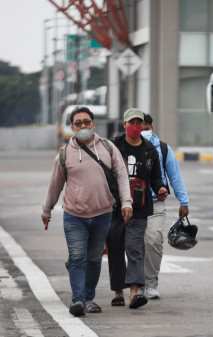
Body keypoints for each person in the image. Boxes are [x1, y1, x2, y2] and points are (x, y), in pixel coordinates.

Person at [41, 106, 133, 317]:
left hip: (103, 214)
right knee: (76, 257)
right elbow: (55, 185)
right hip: (74, 216)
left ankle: (89, 298)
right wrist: (47, 210)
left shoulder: (108, 148)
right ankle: (78, 301)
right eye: (78, 123)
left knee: (93, 258)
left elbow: (121, 176)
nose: (83, 126)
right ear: (72, 128)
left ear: (93, 123)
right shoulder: (64, 155)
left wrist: (126, 203)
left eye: (86, 122)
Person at [107, 108, 168, 309]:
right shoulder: (113, 146)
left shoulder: (150, 150)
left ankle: (134, 293)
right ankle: (118, 292)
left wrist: (161, 188)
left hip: (139, 208)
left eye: (138, 123)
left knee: (134, 249)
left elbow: (157, 177)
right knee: (115, 249)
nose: (135, 126)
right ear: (124, 125)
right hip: (114, 208)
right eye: (131, 123)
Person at [140, 113, 189, 299]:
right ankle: (137, 284)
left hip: (155, 204)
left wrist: (183, 201)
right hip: (131, 206)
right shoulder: (123, 146)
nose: (143, 131)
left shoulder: (162, 149)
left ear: (152, 128)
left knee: (153, 240)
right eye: (139, 127)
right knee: (135, 245)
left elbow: (175, 176)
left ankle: (151, 284)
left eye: (146, 128)